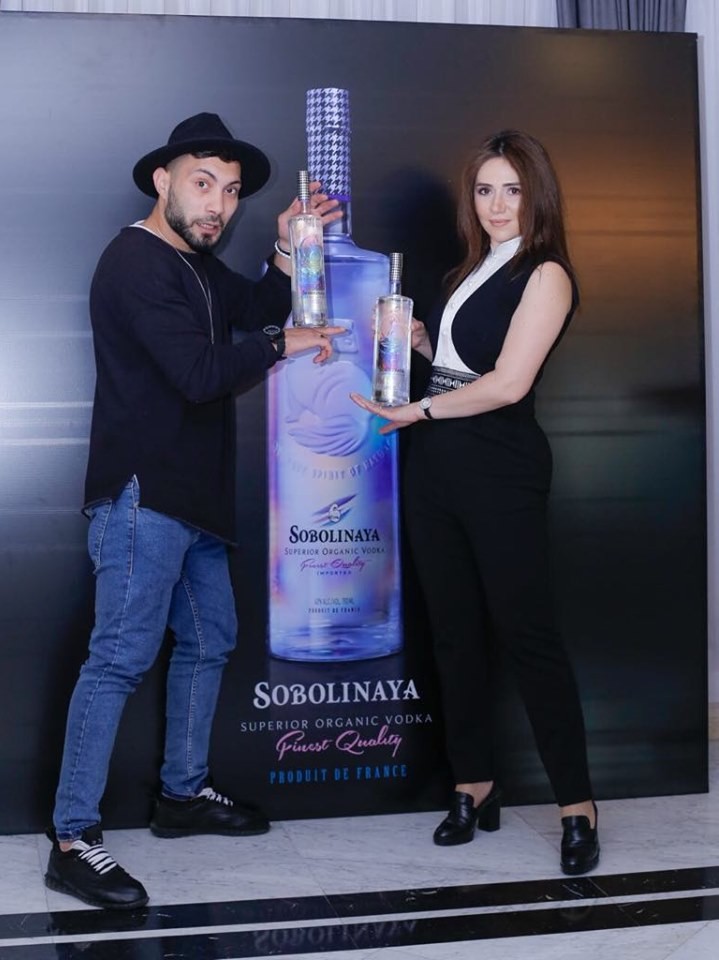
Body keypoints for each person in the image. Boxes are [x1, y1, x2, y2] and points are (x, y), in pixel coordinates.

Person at [45, 112, 343, 910]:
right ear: (163, 180)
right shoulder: (134, 262)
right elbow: (201, 372)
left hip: (196, 501)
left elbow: (255, 307)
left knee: (211, 641)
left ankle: (181, 795)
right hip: (143, 495)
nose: (218, 205)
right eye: (203, 184)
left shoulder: (199, 266)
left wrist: (288, 247)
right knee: (118, 658)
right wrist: (281, 344)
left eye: (232, 192)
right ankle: (72, 840)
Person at [351, 130, 599, 876]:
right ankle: (473, 785)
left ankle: (577, 806)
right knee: (454, 635)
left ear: (536, 195)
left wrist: (416, 411)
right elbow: (465, 371)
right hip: (437, 466)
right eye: (485, 190)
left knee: (527, 637)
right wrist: (424, 348)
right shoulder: (470, 268)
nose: (496, 205)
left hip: (499, 467)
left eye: (511, 190)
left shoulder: (545, 272)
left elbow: (509, 384)